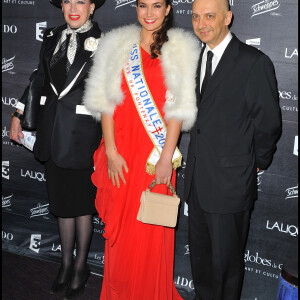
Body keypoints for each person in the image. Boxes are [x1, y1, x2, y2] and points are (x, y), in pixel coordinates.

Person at [83, 0, 200, 298]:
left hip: (154, 158)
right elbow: (105, 101)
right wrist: (110, 151)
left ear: (168, 9)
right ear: (135, 8)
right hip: (121, 155)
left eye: (156, 6)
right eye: (143, 6)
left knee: (150, 232)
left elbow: (177, 109)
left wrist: (165, 158)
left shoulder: (180, 48)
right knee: (122, 236)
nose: (149, 14)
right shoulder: (118, 44)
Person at [184, 0, 282, 299]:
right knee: (201, 265)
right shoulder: (195, 57)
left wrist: (255, 163)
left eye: (210, 16)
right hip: (197, 183)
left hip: (230, 185)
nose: (202, 23)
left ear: (228, 17)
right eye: (196, 16)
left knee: (224, 269)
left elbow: (269, 124)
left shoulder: (253, 62)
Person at [9, 0, 104, 299]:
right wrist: (17, 113)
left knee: (81, 207)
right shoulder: (51, 37)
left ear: (91, 7)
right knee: (62, 205)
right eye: (67, 1)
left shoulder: (106, 43)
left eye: (81, 2)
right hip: (52, 133)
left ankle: (80, 267)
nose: (73, 7)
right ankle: (64, 264)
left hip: (84, 137)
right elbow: (39, 78)